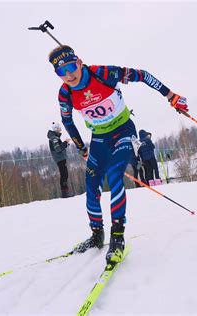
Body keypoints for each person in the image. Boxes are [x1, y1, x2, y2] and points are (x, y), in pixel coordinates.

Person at [48, 45, 188, 263]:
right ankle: (96, 235)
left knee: (114, 177)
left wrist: (170, 95)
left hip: (123, 131)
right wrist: (81, 147)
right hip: (99, 139)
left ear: (78, 62)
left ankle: (117, 237)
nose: (68, 75)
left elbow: (142, 75)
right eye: (60, 72)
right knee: (92, 186)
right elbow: (67, 121)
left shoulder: (102, 73)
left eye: (70, 67)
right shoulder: (65, 93)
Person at [47, 122, 74, 198]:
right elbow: (58, 149)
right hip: (60, 159)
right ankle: (65, 193)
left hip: (61, 158)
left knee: (65, 175)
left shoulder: (55, 137)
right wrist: (65, 142)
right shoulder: (54, 138)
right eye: (59, 128)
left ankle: (65, 192)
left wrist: (65, 144)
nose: (60, 130)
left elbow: (59, 147)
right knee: (64, 175)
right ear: (55, 129)